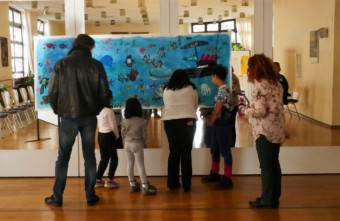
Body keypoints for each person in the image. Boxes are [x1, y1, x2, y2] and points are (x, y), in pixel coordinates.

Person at [46, 34, 111, 206]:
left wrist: (57, 109)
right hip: (89, 117)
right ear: (89, 47)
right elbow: (104, 94)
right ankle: (90, 195)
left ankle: (57, 197)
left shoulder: (62, 64)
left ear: (75, 45)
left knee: (63, 157)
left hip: (67, 117)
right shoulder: (96, 65)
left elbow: (52, 91)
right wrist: (98, 108)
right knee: (89, 156)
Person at [242, 54, 285, 208]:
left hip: (264, 131)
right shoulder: (277, 83)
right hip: (277, 129)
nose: (248, 70)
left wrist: (246, 110)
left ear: (255, 68)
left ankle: (267, 199)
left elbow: (260, 111)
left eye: (249, 67)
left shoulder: (259, 84)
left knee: (266, 166)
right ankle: (273, 197)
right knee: (274, 164)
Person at [162, 69, 198, 192]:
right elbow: (195, 105)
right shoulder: (191, 89)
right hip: (188, 121)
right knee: (186, 153)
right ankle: (187, 185)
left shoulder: (166, 90)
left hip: (170, 122)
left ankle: (172, 183)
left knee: (173, 152)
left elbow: (165, 104)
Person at [201, 65, 234, 190]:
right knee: (215, 148)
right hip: (218, 124)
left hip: (222, 124)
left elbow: (218, 109)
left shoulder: (223, 90)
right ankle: (214, 173)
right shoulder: (222, 89)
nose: (211, 79)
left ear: (215, 76)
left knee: (225, 150)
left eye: (212, 76)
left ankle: (227, 177)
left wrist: (210, 121)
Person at [121, 97, 157, 195]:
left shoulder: (124, 121)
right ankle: (145, 186)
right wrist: (145, 143)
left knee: (130, 164)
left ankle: (132, 184)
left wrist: (125, 141)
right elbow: (144, 135)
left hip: (127, 144)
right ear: (138, 108)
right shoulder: (142, 121)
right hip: (137, 144)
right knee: (140, 165)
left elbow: (122, 134)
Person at [95, 91, 120, 189]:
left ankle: (98, 179)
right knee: (114, 158)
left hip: (101, 135)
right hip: (109, 136)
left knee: (104, 158)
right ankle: (110, 180)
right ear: (108, 99)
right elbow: (113, 126)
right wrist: (117, 136)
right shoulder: (109, 111)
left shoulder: (98, 110)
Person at [231, 67, 241, 147]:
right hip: (226, 106)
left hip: (233, 105)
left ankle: (232, 145)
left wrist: (231, 90)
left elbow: (238, 90)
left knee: (231, 126)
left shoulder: (234, 78)